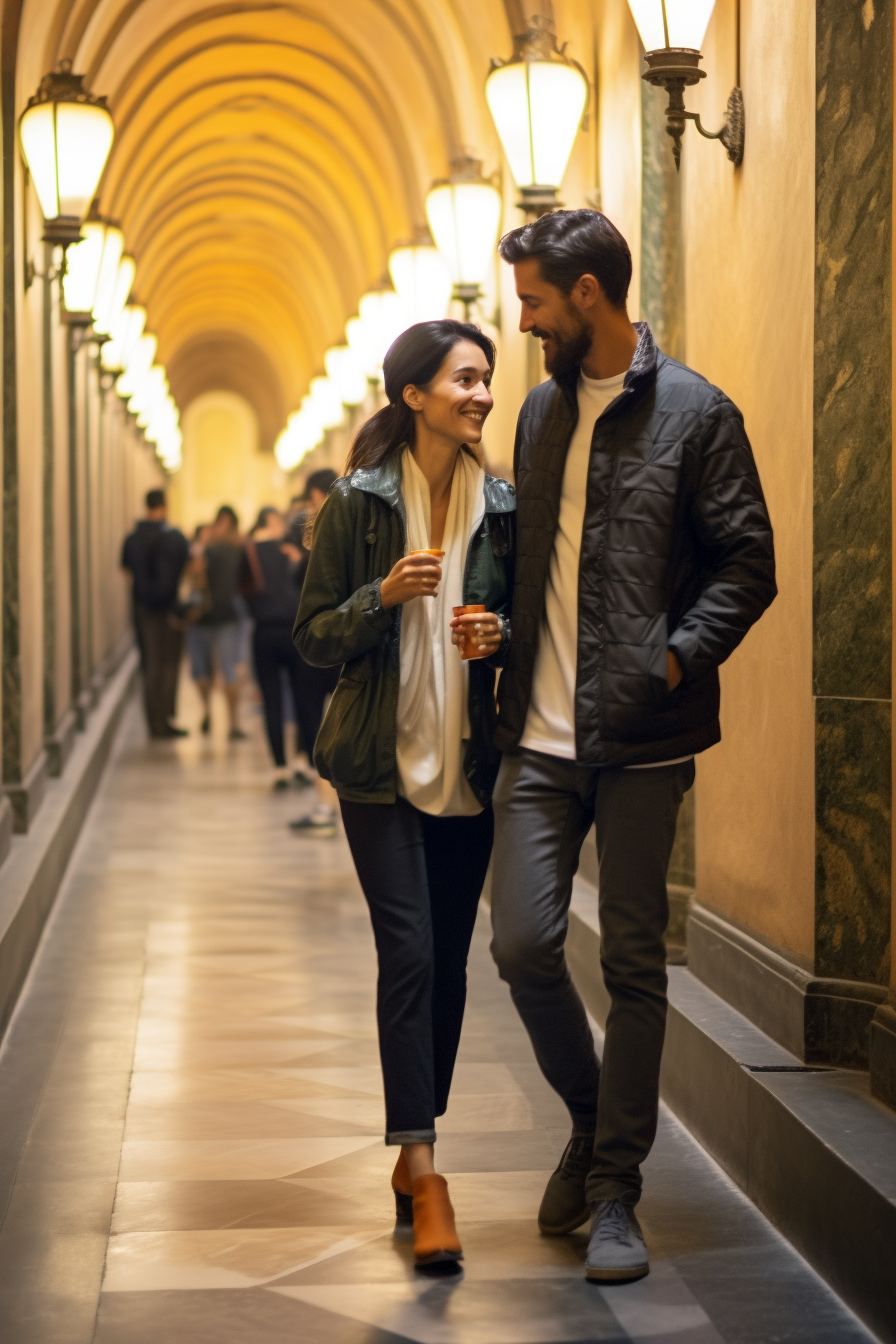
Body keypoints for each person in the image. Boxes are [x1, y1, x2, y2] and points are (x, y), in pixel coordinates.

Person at [488, 210, 776, 1285]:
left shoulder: (697, 415)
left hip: (644, 738)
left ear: (587, 299)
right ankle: (587, 1118)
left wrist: (671, 657)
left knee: (631, 960)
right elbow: (531, 556)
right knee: (519, 942)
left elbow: (747, 562)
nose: (522, 324)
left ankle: (615, 1189)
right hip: (539, 734)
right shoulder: (536, 414)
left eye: (532, 304)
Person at [294, 319, 515, 1272]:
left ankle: (419, 1131)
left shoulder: (502, 506)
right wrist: (378, 599)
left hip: (467, 765)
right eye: (464, 379)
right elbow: (310, 636)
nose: (481, 394)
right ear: (413, 394)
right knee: (412, 953)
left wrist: (497, 634)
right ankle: (423, 1169)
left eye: (486, 380)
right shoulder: (357, 504)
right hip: (377, 771)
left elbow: (529, 624)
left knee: (454, 968)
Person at [121, 488, 189, 739]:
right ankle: (165, 718)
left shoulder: (132, 538)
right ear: (164, 505)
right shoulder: (176, 538)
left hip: (142, 609)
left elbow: (126, 573)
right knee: (169, 664)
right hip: (170, 609)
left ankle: (153, 722)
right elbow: (188, 569)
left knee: (150, 664)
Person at [187, 504, 247, 740]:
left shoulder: (204, 549)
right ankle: (232, 723)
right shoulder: (241, 549)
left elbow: (193, 579)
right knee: (229, 669)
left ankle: (208, 712)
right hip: (228, 615)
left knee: (203, 670)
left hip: (202, 615)